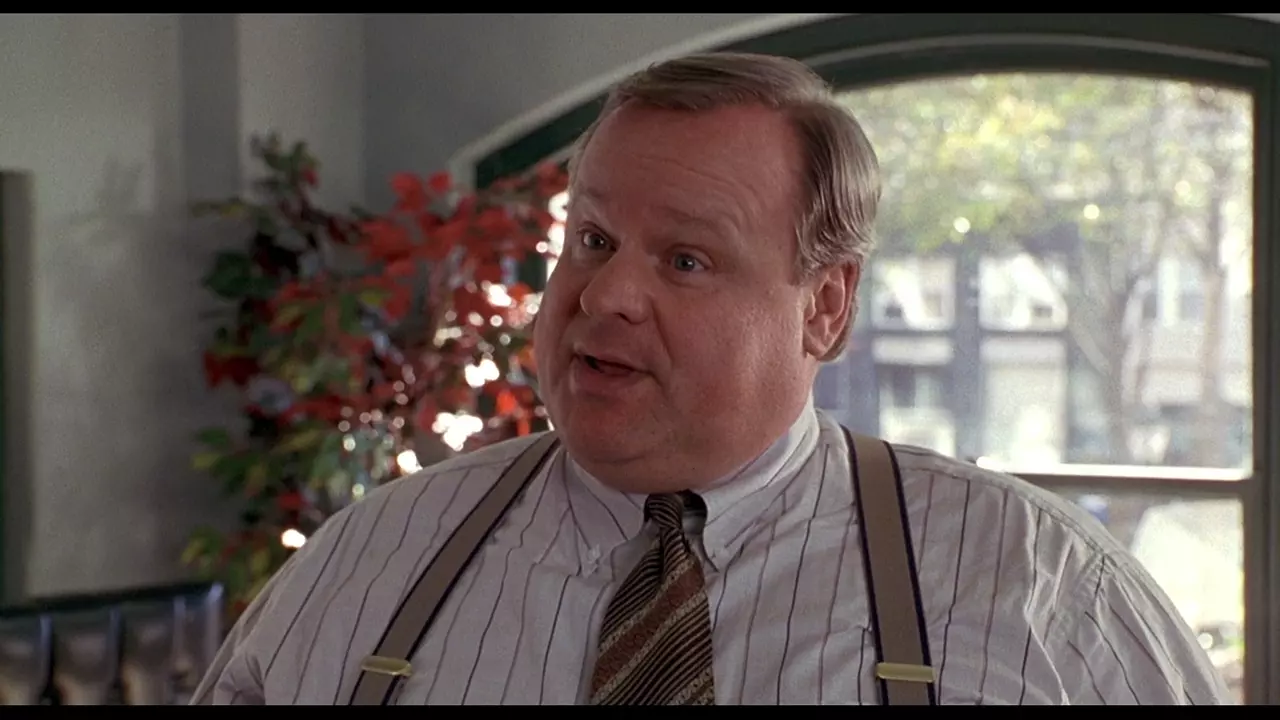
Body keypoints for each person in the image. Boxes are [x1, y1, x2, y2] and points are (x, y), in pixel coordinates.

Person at [191, 51, 1232, 706]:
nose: (606, 296)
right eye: (593, 240)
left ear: (824, 306)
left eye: (685, 260)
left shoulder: (1042, 593)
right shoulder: (369, 563)